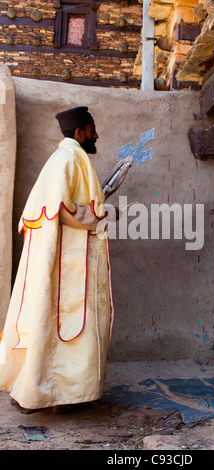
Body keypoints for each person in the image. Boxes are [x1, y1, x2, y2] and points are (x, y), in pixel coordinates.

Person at [0, 106, 116, 414]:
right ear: (79, 133)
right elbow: (59, 209)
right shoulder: (68, 158)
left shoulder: (66, 158)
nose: (96, 135)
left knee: (52, 324)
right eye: (91, 129)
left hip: (67, 262)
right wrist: (95, 219)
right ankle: (55, 395)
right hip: (69, 266)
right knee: (66, 325)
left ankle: (56, 393)